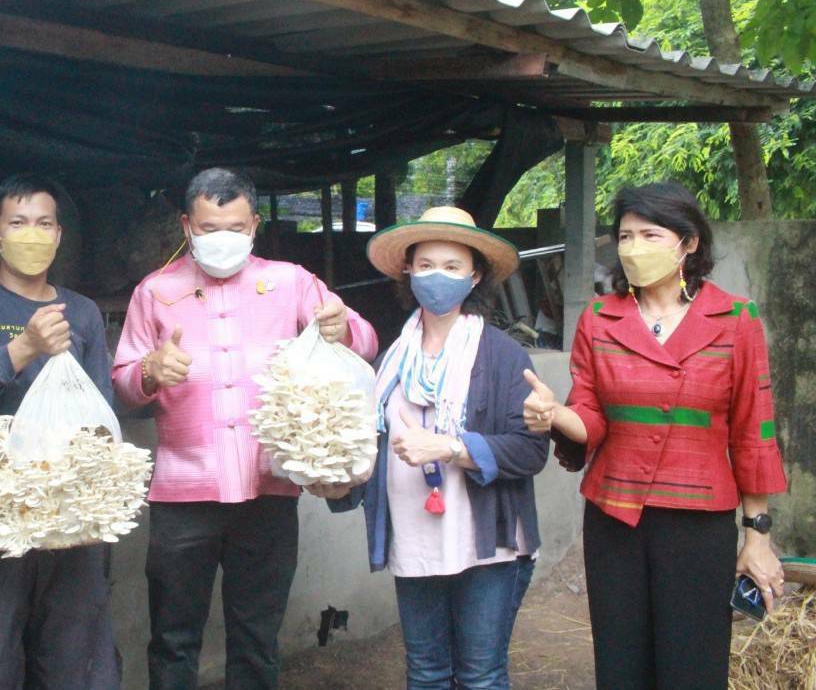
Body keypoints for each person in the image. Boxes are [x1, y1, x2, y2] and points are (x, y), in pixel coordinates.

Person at [111, 167, 378, 689]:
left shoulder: (290, 282)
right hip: (182, 498)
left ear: (254, 223)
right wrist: (148, 372)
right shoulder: (155, 291)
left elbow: (363, 342)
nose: (222, 239)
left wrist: (344, 327)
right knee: (172, 638)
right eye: (209, 229)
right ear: (187, 226)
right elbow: (122, 383)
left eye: (235, 227)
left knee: (256, 639)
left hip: (267, 493)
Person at [524, 182, 787, 689]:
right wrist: (555, 415)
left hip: (699, 526)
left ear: (688, 243)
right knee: (621, 668)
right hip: (614, 520)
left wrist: (758, 534)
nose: (633, 248)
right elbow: (591, 417)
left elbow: (754, 431)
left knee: (691, 668)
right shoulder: (600, 319)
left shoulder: (736, 319)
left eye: (649, 234)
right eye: (624, 236)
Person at [318, 205, 548, 690]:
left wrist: (447, 447)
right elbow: (368, 449)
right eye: (425, 265)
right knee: (424, 673)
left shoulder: (502, 355)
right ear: (407, 270)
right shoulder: (388, 361)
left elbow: (529, 453)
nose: (436, 277)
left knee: (480, 675)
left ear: (474, 275)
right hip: (415, 539)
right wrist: (336, 479)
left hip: (487, 545)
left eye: (451, 267)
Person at [0, 174, 119, 689]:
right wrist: (24, 348)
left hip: (71, 510)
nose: (31, 234)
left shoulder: (80, 312)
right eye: (18, 223)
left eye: (43, 223)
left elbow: (101, 410)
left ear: (58, 235)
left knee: (74, 655)